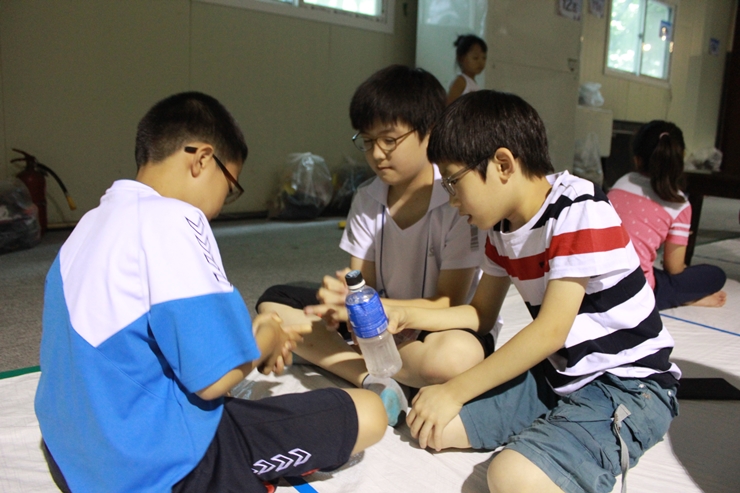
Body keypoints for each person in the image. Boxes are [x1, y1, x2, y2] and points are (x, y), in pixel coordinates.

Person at [314, 90, 682, 493]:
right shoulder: (500, 230)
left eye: (454, 183)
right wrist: (402, 313)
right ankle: (557, 427)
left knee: (510, 477)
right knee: (432, 426)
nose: (451, 200)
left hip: (626, 383)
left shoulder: (579, 207)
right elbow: (480, 314)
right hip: (557, 374)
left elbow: (550, 331)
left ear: (503, 164)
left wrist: (455, 390)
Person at [34, 92, 386, 493]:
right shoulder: (174, 219)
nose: (219, 207)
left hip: (73, 458)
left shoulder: (88, 226)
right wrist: (264, 338)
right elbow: (214, 380)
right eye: (229, 186)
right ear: (202, 159)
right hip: (156, 469)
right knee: (368, 413)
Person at [257, 65, 495, 426]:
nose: (377, 154)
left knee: (455, 357)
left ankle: (353, 360)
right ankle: (371, 378)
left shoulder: (455, 200)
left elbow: (449, 301)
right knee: (274, 301)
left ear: (430, 131)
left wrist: (378, 311)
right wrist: (344, 302)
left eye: (389, 140)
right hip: (377, 325)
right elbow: (361, 284)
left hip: (433, 326)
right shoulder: (368, 198)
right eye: (367, 142)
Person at [608, 120, 726, 310]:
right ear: (679, 159)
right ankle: (686, 298)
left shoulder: (621, 183)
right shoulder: (678, 204)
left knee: (641, 267)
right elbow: (674, 268)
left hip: (596, 282)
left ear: (637, 159)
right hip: (636, 293)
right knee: (715, 275)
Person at [446, 34, 487, 105]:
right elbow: (449, 106)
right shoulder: (460, 82)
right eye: (475, 58)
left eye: (484, 58)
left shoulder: (473, 83)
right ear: (461, 59)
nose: (481, 62)